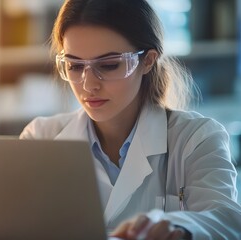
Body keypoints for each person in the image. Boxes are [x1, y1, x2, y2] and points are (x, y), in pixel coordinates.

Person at [19, 0, 241, 239]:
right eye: (74, 65)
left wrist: (179, 228)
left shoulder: (196, 138)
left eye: (109, 65)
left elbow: (227, 220)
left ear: (147, 61)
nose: (88, 84)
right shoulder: (41, 138)